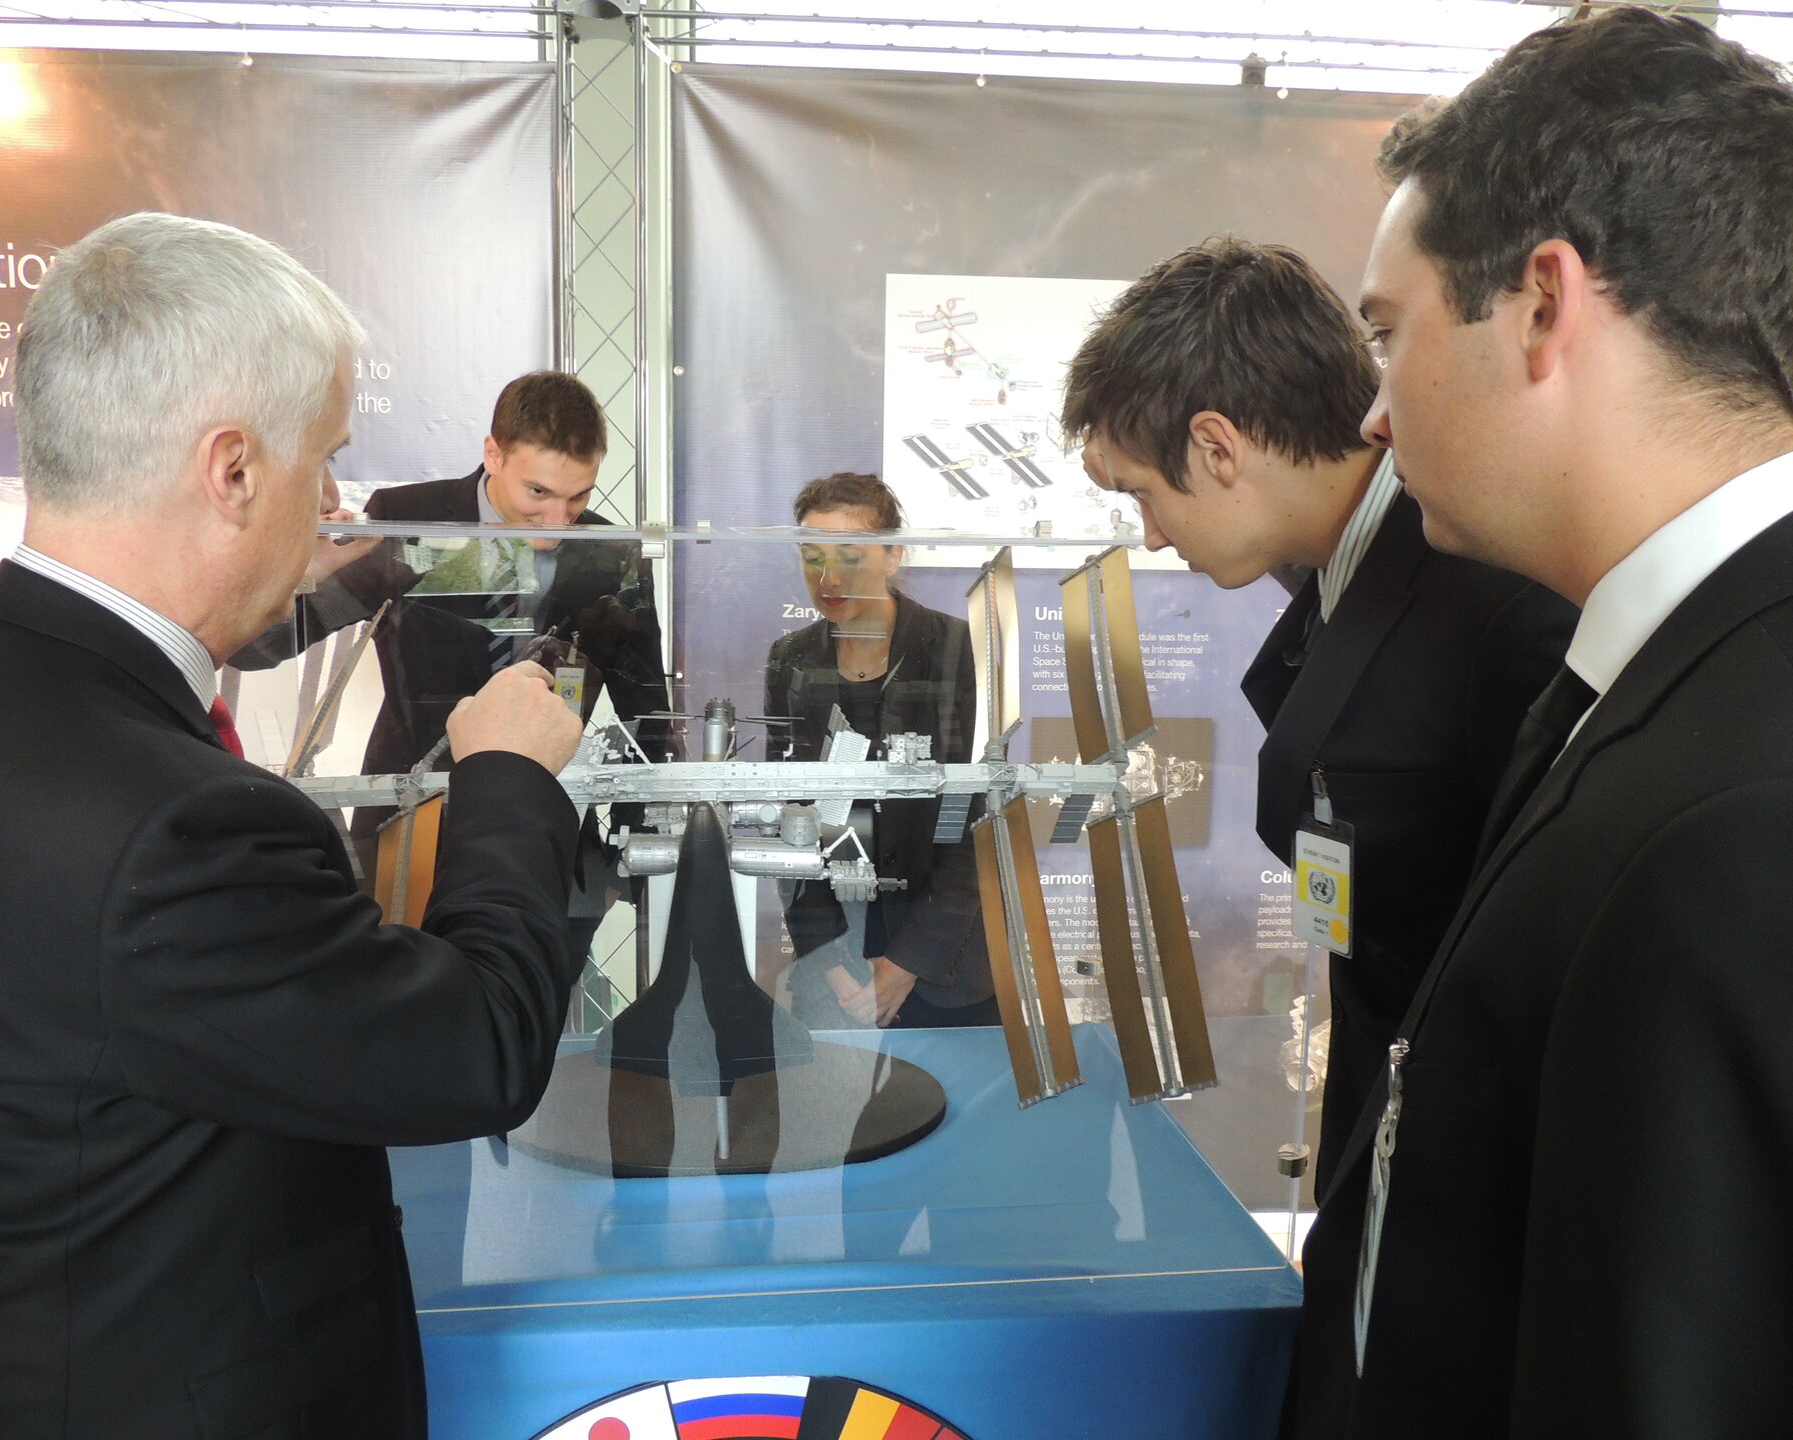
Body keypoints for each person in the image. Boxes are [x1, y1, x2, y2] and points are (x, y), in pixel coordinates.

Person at [0, 213, 587, 1439]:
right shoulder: (174, 822)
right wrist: (508, 778)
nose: (338, 501)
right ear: (234, 469)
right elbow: (479, 1047)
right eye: (327, 458)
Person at [1294, 11, 1793, 1437]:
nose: (1378, 415)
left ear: (1540, 306)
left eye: (1389, 334)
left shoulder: (1742, 807)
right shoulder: (1640, 679)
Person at [1061, 238, 1575, 1199]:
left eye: (1145, 494)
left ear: (1217, 446)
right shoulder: (1347, 583)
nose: (1154, 536)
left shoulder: (1496, 599)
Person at [235, 370, 671, 958]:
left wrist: (629, 863)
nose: (557, 521)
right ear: (493, 453)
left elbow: (649, 712)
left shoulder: (609, 552)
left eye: (579, 497)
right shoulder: (409, 518)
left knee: (524, 1023)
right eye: (538, 494)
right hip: (408, 817)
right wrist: (303, 569)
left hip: (548, 832)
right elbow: (257, 646)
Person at [763, 473, 993, 1029]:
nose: (828, 576)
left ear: (893, 555)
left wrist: (905, 964)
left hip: (944, 964)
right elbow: (785, 817)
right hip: (835, 967)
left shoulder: (957, 648)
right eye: (812, 556)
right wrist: (834, 961)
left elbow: (976, 819)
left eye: (850, 555)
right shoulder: (790, 659)